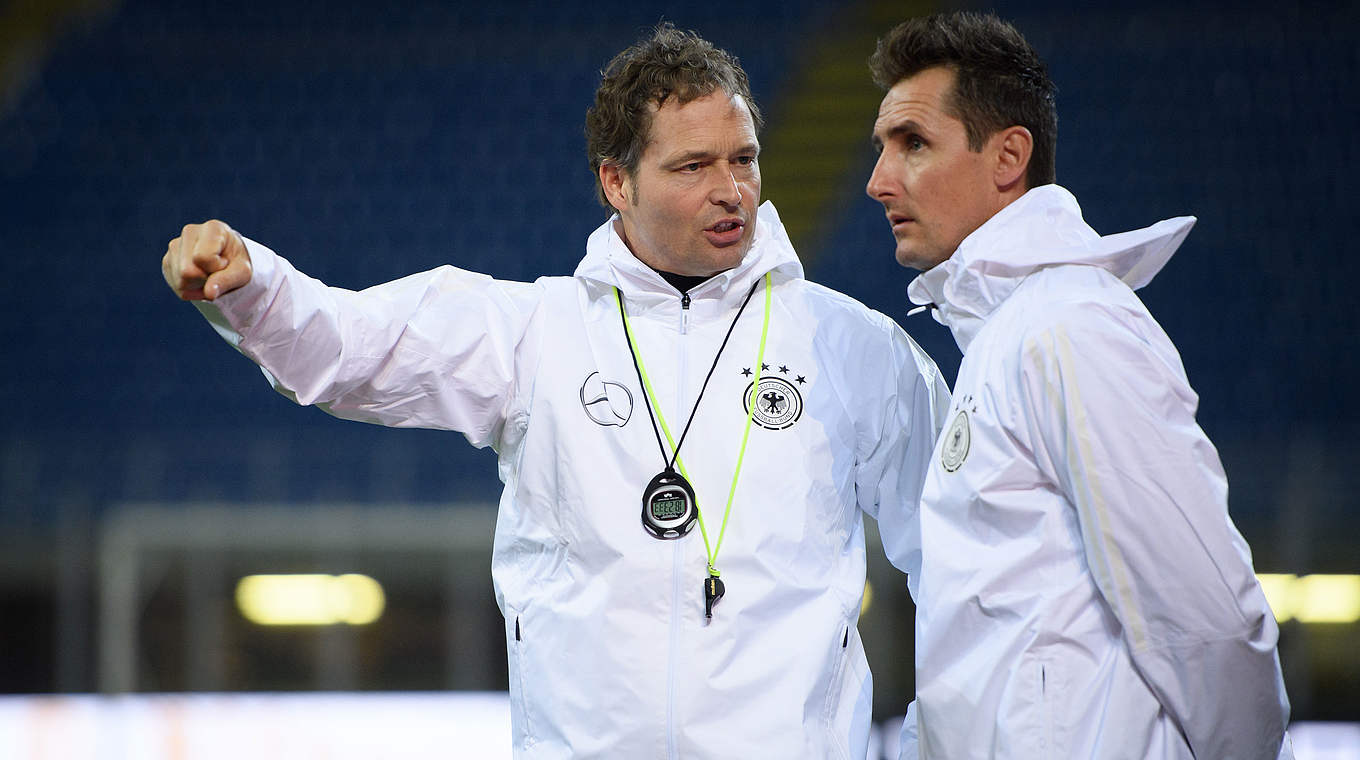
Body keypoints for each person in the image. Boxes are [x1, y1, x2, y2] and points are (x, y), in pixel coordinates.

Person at [163, 23, 949, 759]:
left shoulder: (852, 349)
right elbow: (350, 346)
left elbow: (963, 562)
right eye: (692, 166)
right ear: (617, 182)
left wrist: (931, 743)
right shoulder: (534, 334)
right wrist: (254, 290)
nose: (732, 191)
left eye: (742, 159)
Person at [863, 11, 1292, 760]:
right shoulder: (1010, 335)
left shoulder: (1071, 327)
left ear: (1008, 157)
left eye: (914, 144)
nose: (878, 181)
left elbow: (1207, 615)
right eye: (881, 149)